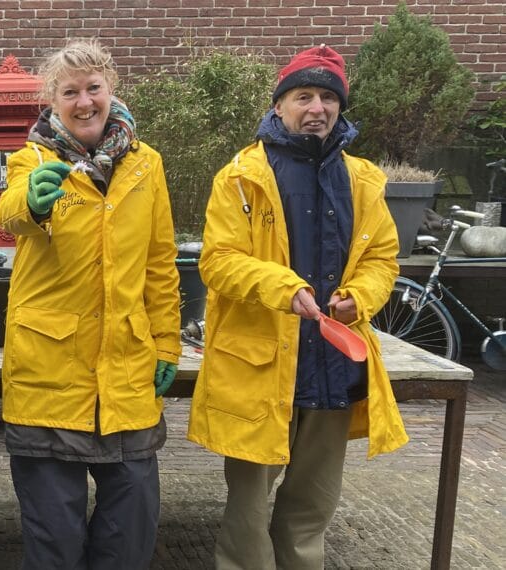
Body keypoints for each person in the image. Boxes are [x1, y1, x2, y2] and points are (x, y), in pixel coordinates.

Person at [187, 45, 408, 569]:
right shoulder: (241, 176)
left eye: (328, 97)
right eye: (303, 95)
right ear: (280, 105)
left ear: (340, 107)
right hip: (259, 369)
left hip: (335, 366)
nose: (317, 107)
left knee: (312, 508)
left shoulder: (365, 180)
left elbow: (382, 259)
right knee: (247, 512)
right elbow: (218, 261)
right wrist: (282, 287)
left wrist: (362, 296)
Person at [0, 39, 181, 569]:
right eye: (69, 92)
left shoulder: (147, 166)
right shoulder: (32, 158)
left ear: (111, 91)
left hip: (126, 370)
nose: (83, 102)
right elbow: (9, 214)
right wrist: (31, 202)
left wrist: (167, 341)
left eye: (93, 88)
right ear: (52, 101)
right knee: (55, 544)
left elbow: (160, 262)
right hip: (49, 374)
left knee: (131, 536)